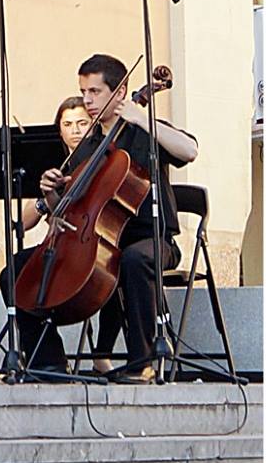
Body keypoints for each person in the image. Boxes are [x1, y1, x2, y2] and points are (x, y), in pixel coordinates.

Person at [17, 57, 197, 383]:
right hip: (97, 242)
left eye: (95, 91)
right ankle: (50, 363)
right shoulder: (87, 148)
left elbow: (190, 150)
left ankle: (142, 361)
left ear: (120, 92)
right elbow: (68, 210)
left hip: (149, 240)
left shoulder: (144, 130)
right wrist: (52, 192)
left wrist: (142, 118)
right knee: (16, 271)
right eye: (83, 91)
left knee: (133, 259)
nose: (87, 100)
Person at [0, 95, 124, 374]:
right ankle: (47, 359)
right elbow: (24, 223)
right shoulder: (58, 165)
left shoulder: (102, 158)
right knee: (13, 275)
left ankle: (102, 354)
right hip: (64, 245)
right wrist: (48, 201)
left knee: (110, 270)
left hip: (96, 240)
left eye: (82, 122)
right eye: (68, 124)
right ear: (59, 129)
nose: (76, 130)